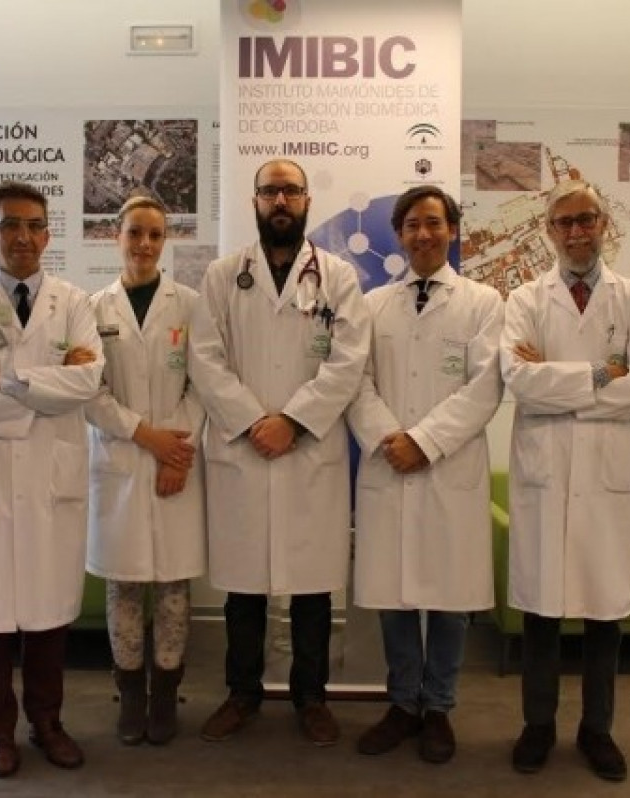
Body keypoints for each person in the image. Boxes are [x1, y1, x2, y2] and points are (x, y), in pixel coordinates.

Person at [188, 159, 370, 746]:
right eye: (271, 191)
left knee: (312, 588)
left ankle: (310, 698)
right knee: (244, 588)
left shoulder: (338, 277)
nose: (281, 200)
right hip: (244, 452)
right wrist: (251, 421)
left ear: (308, 200)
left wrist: (291, 422)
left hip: (307, 451)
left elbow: (348, 361)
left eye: (291, 190)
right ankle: (241, 694)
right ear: (255, 202)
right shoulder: (223, 276)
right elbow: (204, 358)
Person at [0, 180, 104, 778]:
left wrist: (4, 380)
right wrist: (47, 386)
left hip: (51, 479)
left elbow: (87, 383)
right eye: (10, 225)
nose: (23, 237)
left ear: (48, 235)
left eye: (34, 225)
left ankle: (49, 725)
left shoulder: (74, 303)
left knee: (49, 617)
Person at [501, 179, 630, 782]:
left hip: (606, 477)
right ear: (549, 230)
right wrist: (602, 374)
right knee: (541, 612)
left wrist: (559, 381)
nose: (576, 231)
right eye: (565, 222)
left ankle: (598, 730)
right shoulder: (525, 299)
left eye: (587, 219)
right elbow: (520, 382)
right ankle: (537, 726)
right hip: (547, 473)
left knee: (603, 613)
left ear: (603, 225)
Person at [347, 185, 504, 764]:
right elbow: (354, 382)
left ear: (452, 230)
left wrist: (425, 441)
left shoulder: (484, 303)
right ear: (398, 234)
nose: (423, 233)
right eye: (412, 224)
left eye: (434, 223)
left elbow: (486, 386)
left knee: (448, 600)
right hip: (389, 463)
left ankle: (437, 707)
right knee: (394, 597)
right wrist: (391, 437)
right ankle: (402, 704)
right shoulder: (371, 305)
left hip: (448, 467)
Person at [83, 195, 206, 746]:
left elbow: (203, 385)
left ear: (166, 240)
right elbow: (90, 393)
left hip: (176, 460)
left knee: (174, 585)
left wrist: (175, 451)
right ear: (117, 237)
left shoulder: (190, 306)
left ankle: (165, 698)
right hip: (122, 461)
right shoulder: (93, 309)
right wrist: (145, 436)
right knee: (125, 585)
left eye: (155, 234)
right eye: (135, 233)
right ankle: (131, 697)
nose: (145, 244)